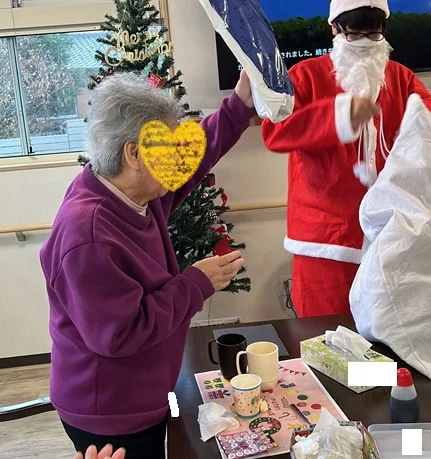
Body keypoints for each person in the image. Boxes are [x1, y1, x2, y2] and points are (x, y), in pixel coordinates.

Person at [40, 70, 255, 459]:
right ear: (134, 154)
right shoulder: (87, 235)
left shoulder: (131, 189)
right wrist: (195, 283)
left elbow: (197, 154)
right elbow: (120, 335)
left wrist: (239, 105)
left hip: (144, 393)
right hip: (111, 413)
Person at [261, 0, 431, 317]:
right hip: (325, 241)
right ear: (334, 29)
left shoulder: (402, 79)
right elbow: (276, 131)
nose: (365, 42)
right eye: (354, 33)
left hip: (391, 237)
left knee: (385, 335)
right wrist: (339, 114)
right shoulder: (305, 76)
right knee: (325, 336)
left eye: (374, 33)